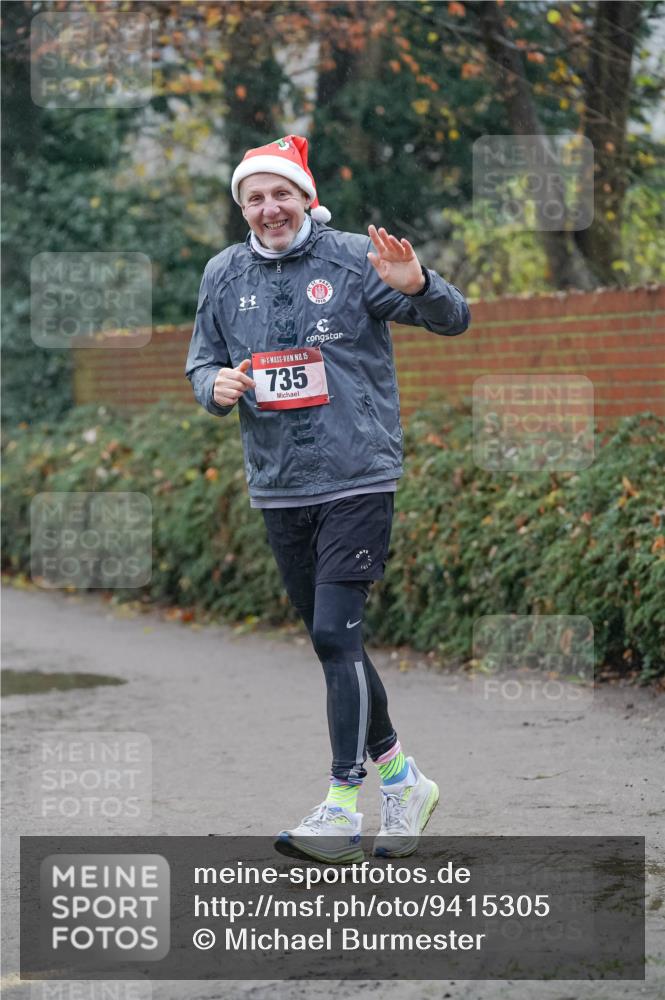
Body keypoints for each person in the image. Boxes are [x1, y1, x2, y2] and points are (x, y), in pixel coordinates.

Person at [185, 134, 470, 864]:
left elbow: (453, 319)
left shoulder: (351, 258)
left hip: (358, 475)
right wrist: (212, 387)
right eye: (254, 197)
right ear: (243, 209)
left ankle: (343, 801)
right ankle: (404, 782)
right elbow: (202, 359)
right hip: (278, 485)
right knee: (333, 640)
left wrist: (416, 285)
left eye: (281, 193)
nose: (269, 207)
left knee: (334, 637)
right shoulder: (223, 273)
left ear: (305, 197)